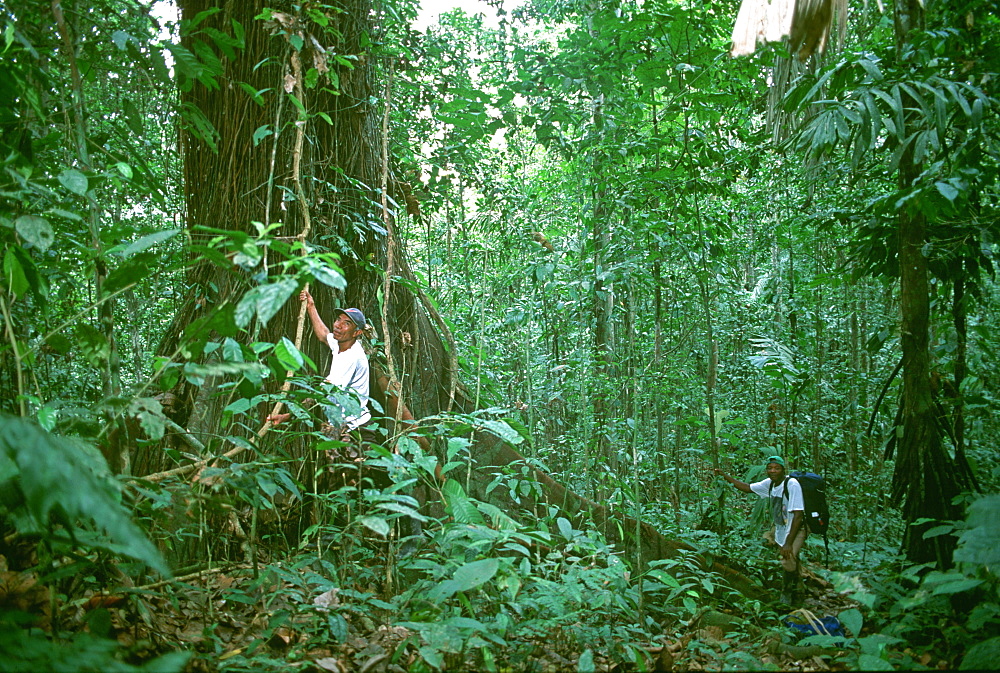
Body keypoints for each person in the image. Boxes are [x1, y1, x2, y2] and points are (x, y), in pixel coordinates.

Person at [715, 456, 807, 605]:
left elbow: (798, 516)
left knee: (787, 559)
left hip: (796, 528)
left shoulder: (792, 484)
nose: (773, 471)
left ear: (783, 469)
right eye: (770, 468)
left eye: (777, 468)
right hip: (781, 528)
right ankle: (800, 590)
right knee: (791, 560)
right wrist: (724, 476)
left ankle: (787, 594)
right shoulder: (769, 484)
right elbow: (747, 488)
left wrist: (789, 543)